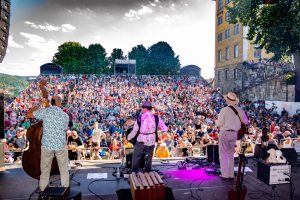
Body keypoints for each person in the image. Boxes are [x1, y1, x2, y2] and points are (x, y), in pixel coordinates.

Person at [26, 95, 69, 191]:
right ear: (58, 103)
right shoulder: (65, 115)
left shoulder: (45, 112)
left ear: (52, 102)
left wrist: (40, 104)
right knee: (63, 168)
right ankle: (65, 189)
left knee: (45, 170)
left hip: (47, 145)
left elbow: (29, 114)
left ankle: (43, 190)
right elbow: (64, 130)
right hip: (60, 145)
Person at [127, 101, 168, 172]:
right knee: (149, 158)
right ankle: (148, 172)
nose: (141, 109)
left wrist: (128, 137)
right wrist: (163, 131)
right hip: (151, 140)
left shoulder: (139, 118)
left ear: (145, 109)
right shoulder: (156, 117)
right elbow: (164, 128)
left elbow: (134, 131)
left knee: (136, 157)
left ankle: (135, 172)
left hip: (141, 140)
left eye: (142, 108)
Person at [216, 92, 248, 179]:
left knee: (223, 154)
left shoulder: (224, 110)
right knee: (230, 154)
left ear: (227, 100)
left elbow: (219, 123)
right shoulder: (240, 110)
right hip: (234, 133)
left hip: (225, 133)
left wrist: (216, 122)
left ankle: (225, 174)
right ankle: (230, 174)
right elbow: (246, 121)